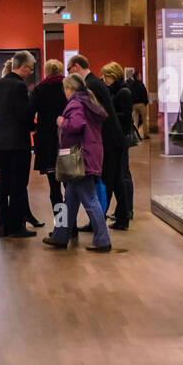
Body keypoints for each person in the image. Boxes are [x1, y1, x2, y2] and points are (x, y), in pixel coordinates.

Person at [44, 73, 112, 253]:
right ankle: (60, 236)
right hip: (90, 154)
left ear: (70, 88)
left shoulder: (75, 103)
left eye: (65, 88)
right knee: (70, 201)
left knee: (90, 199)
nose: (64, 92)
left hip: (80, 159)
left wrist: (62, 122)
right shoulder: (89, 101)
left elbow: (76, 124)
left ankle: (103, 239)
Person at [0, 50, 38, 238]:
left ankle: (3, 224)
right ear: (23, 67)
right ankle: (16, 226)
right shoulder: (20, 87)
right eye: (30, 69)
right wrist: (34, 126)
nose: (30, 73)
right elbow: (24, 116)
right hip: (18, 144)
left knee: (3, 183)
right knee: (18, 185)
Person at [66, 54, 125, 222]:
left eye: (69, 69)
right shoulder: (94, 83)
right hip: (111, 140)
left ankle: (99, 224)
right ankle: (120, 218)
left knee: (106, 183)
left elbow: (96, 116)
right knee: (115, 180)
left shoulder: (91, 84)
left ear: (76, 67)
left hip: (108, 141)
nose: (69, 73)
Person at [28, 58, 68, 217]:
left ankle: (61, 226)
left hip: (47, 142)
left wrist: (36, 128)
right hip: (67, 139)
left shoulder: (40, 89)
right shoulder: (68, 87)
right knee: (70, 186)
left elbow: (29, 112)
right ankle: (71, 227)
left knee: (55, 188)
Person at [101, 62, 135, 229]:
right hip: (116, 136)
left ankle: (127, 209)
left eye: (106, 76)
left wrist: (109, 114)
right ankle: (124, 211)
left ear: (113, 75)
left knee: (123, 174)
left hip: (122, 136)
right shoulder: (113, 90)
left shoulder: (124, 91)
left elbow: (127, 115)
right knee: (119, 175)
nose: (104, 79)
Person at [125, 66, 149, 139]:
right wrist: (145, 103)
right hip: (141, 104)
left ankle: (136, 136)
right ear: (137, 76)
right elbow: (144, 94)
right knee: (144, 120)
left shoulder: (130, 85)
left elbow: (129, 95)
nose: (141, 76)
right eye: (140, 75)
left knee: (135, 121)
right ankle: (145, 135)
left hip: (133, 105)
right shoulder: (141, 84)